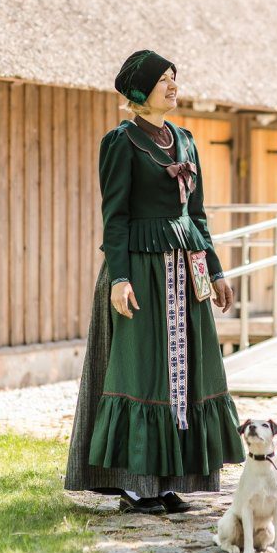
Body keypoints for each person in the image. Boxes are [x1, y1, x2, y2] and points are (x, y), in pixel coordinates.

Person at [65, 50, 244, 515]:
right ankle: (134, 484)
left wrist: (217, 271)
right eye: (164, 79)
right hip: (141, 272)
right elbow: (116, 218)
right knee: (141, 369)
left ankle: (166, 481)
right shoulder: (121, 142)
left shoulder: (185, 140)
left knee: (181, 377)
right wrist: (119, 279)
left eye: (174, 77)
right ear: (141, 91)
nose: (173, 85)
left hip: (185, 272)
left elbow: (197, 215)